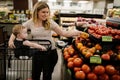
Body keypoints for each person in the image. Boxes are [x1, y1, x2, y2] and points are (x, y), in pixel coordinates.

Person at [8, 1, 83, 80]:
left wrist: (76, 32)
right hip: (37, 53)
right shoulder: (31, 22)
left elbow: (63, 33)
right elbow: (16, 31)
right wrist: (11, 41)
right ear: (37, 12)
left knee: (47, 76)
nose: (46, 14)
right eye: (43, 12)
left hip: (50, 53)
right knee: (35, 75)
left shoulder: (50, 22)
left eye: (47, 12)